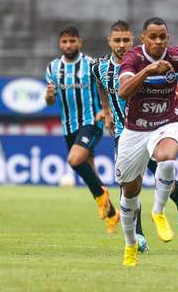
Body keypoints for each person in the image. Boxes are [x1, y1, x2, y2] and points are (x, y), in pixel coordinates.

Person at [92, 20, 178, 253]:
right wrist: (106, 110)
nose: (121, 44)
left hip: (153, 127)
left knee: (164, 174)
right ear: (110, 42)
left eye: (126, 40)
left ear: (134, 40)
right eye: (117, 40)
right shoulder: (99, 67)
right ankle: (138, 235)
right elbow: (101, 86)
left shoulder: (140, 61)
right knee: (128, 185)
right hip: (123, 131)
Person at [45, 26, 119, 234]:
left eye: (72, 41)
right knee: (89, 173)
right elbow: (50, 101)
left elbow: (105, 88)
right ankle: (112, 215)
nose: (68, 45)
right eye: (64, 42)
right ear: (60, 44)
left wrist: (105, 111)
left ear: (80, 42)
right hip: (68, 126)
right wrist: (49, 95)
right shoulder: (53, 68)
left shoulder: (90, 65)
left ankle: (102, 195)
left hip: (91, 121)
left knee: (74, 160)